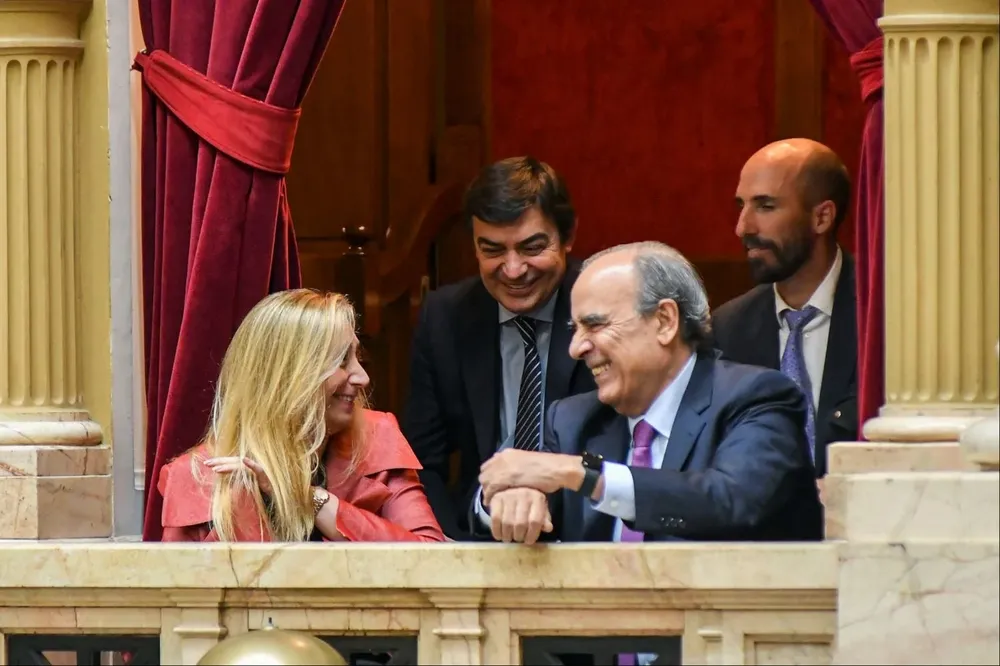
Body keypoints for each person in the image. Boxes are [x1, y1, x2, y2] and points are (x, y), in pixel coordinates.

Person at [478, 242, 823, 545]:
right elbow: (505, 496)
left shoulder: (756, 398)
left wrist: (583, 474)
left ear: (664, 321)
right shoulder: (571, 420)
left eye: (595, 324)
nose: (576, 348)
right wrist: (513, 496)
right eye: (575, 328)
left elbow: (730, 499)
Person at [403, 156, 596, 540]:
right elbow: (421, 465)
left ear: (568, 236)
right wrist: (453, 544)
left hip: (586, 536)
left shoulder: (608, 309)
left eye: (531, 247)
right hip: (478, 536)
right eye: (492, 250)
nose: (512, 269)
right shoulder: (446, 318)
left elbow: (631, 450)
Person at [158, 289, 446, 543]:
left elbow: (429, 556)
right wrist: (247, 499)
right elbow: (186, 595)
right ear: (288, 377)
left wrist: (308, 499)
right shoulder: (194, 476)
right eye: (342, 360)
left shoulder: (378, 439)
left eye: (358, 358)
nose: (362, 376)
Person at [713, 139, 857, 478]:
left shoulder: (883, 315)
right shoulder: (725, 329)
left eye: (765, 206)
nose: (743, 227)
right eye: (741, 206)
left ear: (822, 217)